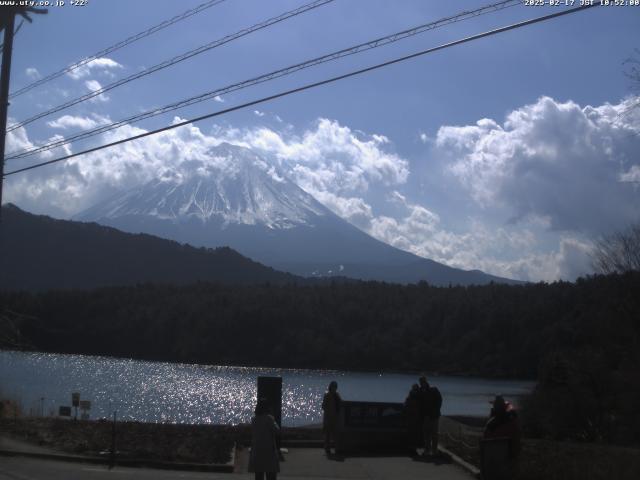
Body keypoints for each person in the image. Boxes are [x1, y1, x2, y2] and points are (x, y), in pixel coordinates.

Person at [249, 398, 280, 480]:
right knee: (271, 475)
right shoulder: (269, 419)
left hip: (257, 450)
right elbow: (277, 431)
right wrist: (273, 418)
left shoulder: (254, 420)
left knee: (258, 475)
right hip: (268, 450)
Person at [419, 376, 442, 456]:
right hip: (426, 416)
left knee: (434, 434)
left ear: (426, 382)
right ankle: (427, 450)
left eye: (423, 382)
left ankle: (434, 450)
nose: (422, 383)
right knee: (426, 434)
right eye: (421, 382)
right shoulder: (421, 391)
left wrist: (435, 412)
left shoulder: (433, 389)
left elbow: (439, 401)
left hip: (434, 416)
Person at [321, 380, 342, 454]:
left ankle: (337, 449)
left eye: (335, 386)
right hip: (328, 417)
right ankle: (327, 449)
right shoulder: (327, 395)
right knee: (328, 434)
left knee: (335, 434)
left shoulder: (337, 395)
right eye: (333, 386)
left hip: (335, 417)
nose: (334, 388)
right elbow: (323, 406)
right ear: (330, 387)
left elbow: (340, 405)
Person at [404, 383, 423, 455]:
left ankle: (410, 448)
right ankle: (413, 448)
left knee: (411, 433)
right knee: (415, 434)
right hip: (416, 418)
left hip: (411, 418)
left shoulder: (409, 397)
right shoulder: (419, 397)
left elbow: (405, 405)